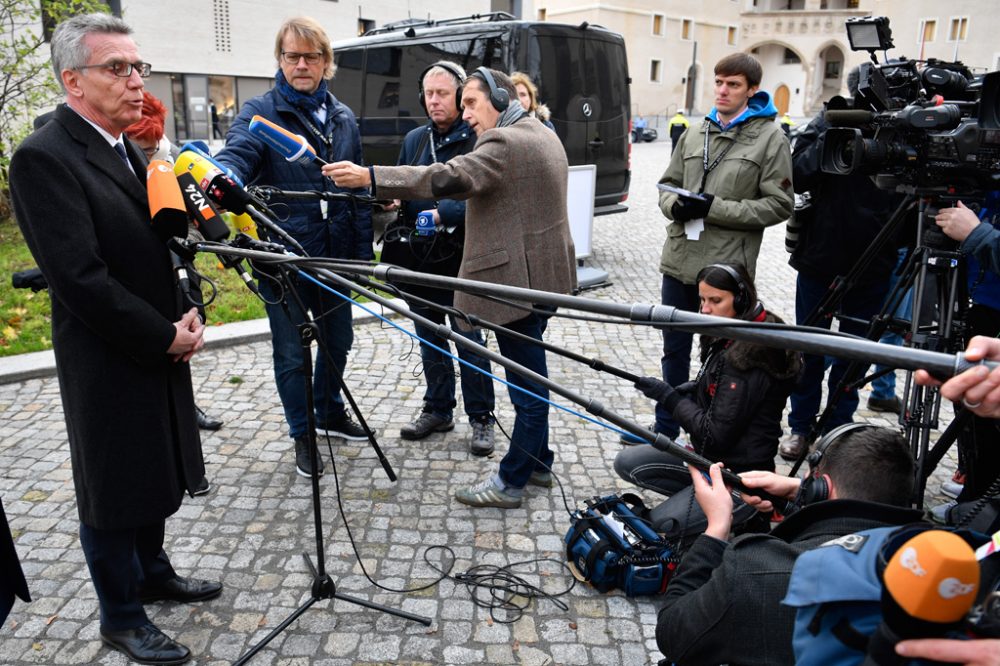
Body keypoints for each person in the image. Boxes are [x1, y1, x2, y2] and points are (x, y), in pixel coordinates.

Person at [10, 13, 222, 664]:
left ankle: (152, 571)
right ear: (73, 80)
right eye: (118, 69)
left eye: (139, 67)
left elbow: (160, 247)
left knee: (155, 466)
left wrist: (186, 310)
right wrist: (163, 336)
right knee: (112, 486)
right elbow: (80, 279)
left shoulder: (125, 144)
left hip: (158, 340)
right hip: (108, 354)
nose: (137, 82)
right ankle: (121, 617)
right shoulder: (44, 158)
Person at [325, 67, 576, 509]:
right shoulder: (541, 131)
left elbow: (446, 178)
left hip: (516, 284)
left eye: (471, 103)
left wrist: (369, 176)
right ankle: (539, 462)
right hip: (546, 276)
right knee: (530, 376)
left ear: (498, 98)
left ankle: (511, 481)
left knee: (529, 389)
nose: (466, 115)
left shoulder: (504, 140)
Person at [215, 16, 374, 479]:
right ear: (280, 60)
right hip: (283, 256)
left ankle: (328, 411)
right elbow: (238, 153)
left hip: (336, 254)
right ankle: (303, 432)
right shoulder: (261, 113)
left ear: (327, 63)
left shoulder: (343, 117)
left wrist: (361, 258)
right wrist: (223, 176)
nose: (301, 64)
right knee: (291, 351)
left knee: (339, 340)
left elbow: (359, 190)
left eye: (311, 56)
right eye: (292, 56)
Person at [656, 426, 922, 666]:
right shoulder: (948, 560)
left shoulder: (754, 569)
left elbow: (673, 632)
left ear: (821, 487)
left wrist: (716, 529)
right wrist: (801, 490)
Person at [641, 53, 793, 444]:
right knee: (673, 350)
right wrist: (677, 206)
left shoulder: (770, 137)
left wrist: (715, 208)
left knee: (722, 356)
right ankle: (665, 428)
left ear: (752, 91)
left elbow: (779, 205)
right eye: (719, 82)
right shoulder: (695, 131)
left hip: (726, 268)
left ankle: (706, 431)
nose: (723, 91)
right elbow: (666, 185)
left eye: (734, 85)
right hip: (680, 260)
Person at [778, 67, 904, 461]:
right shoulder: (830, 122)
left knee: (853, 355)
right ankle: (800, 427)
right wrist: (831, 129)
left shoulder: (901, 129)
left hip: (875, 264)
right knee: (809, 348)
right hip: (820, 257)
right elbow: (796, 175)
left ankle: (837, 432)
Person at [383, 61, 496, 454]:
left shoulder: (480, 137)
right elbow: (404, 187)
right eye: (429, 94)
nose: (434, 101)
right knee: (429, 338)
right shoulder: (415, 138)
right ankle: (438, 409)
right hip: (421, 258)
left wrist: (443, 212)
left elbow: (488, 197)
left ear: (460, 96)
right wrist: (392, 199)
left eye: (442, 94)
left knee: (469, 341)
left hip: (465, 259)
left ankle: (482, 418)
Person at [616, 263, 800, 499]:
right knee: (630, 459)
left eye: (715, 300)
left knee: (632, 469)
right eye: (702, 300)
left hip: (734, 474)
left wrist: (668, 397)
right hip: (716, 460)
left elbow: (714, 437)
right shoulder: (740, 329)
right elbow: (722, 391)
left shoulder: (747, 357)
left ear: (741, 299)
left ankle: (730, 510)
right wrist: (695, 388)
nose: (705, 309)